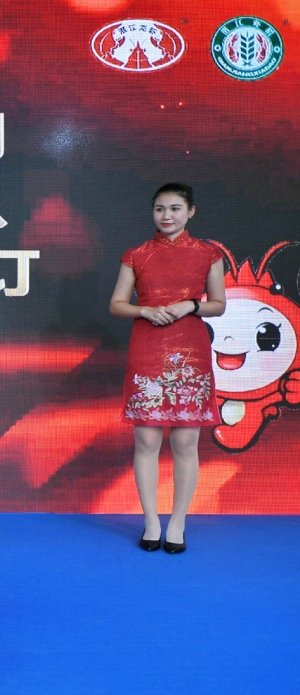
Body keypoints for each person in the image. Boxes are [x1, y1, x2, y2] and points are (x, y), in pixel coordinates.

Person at [109, 182, 225, 554]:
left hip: (190, 350)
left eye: (175, 208)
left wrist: (191, 305)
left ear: (190, 212)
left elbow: (218, 304)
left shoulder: (208, 254)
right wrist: (144, 310)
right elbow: (116, 304)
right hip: (147, 349)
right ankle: (150, 521)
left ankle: (177, 522)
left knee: (185, 442)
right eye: (160, 209)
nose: (167, 216)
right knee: (146, 441)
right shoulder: (137, 255)